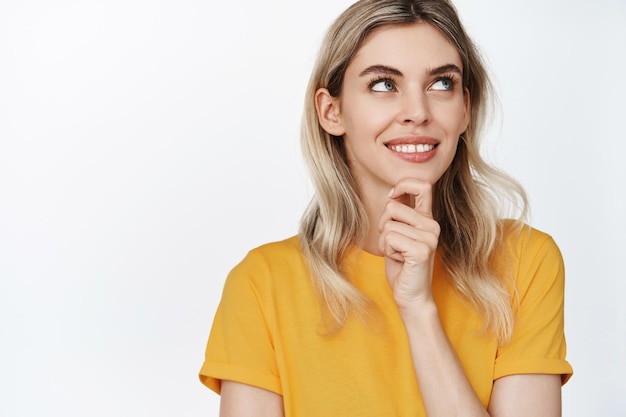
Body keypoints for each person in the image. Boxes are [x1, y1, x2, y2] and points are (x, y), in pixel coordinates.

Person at [198, 0, 573, 415]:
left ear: (465, 108)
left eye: (441, 84)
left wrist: (418, 309)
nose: (417, 112)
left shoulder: (524, 262)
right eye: (384, 85)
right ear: (331, 110)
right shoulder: (262, 284)